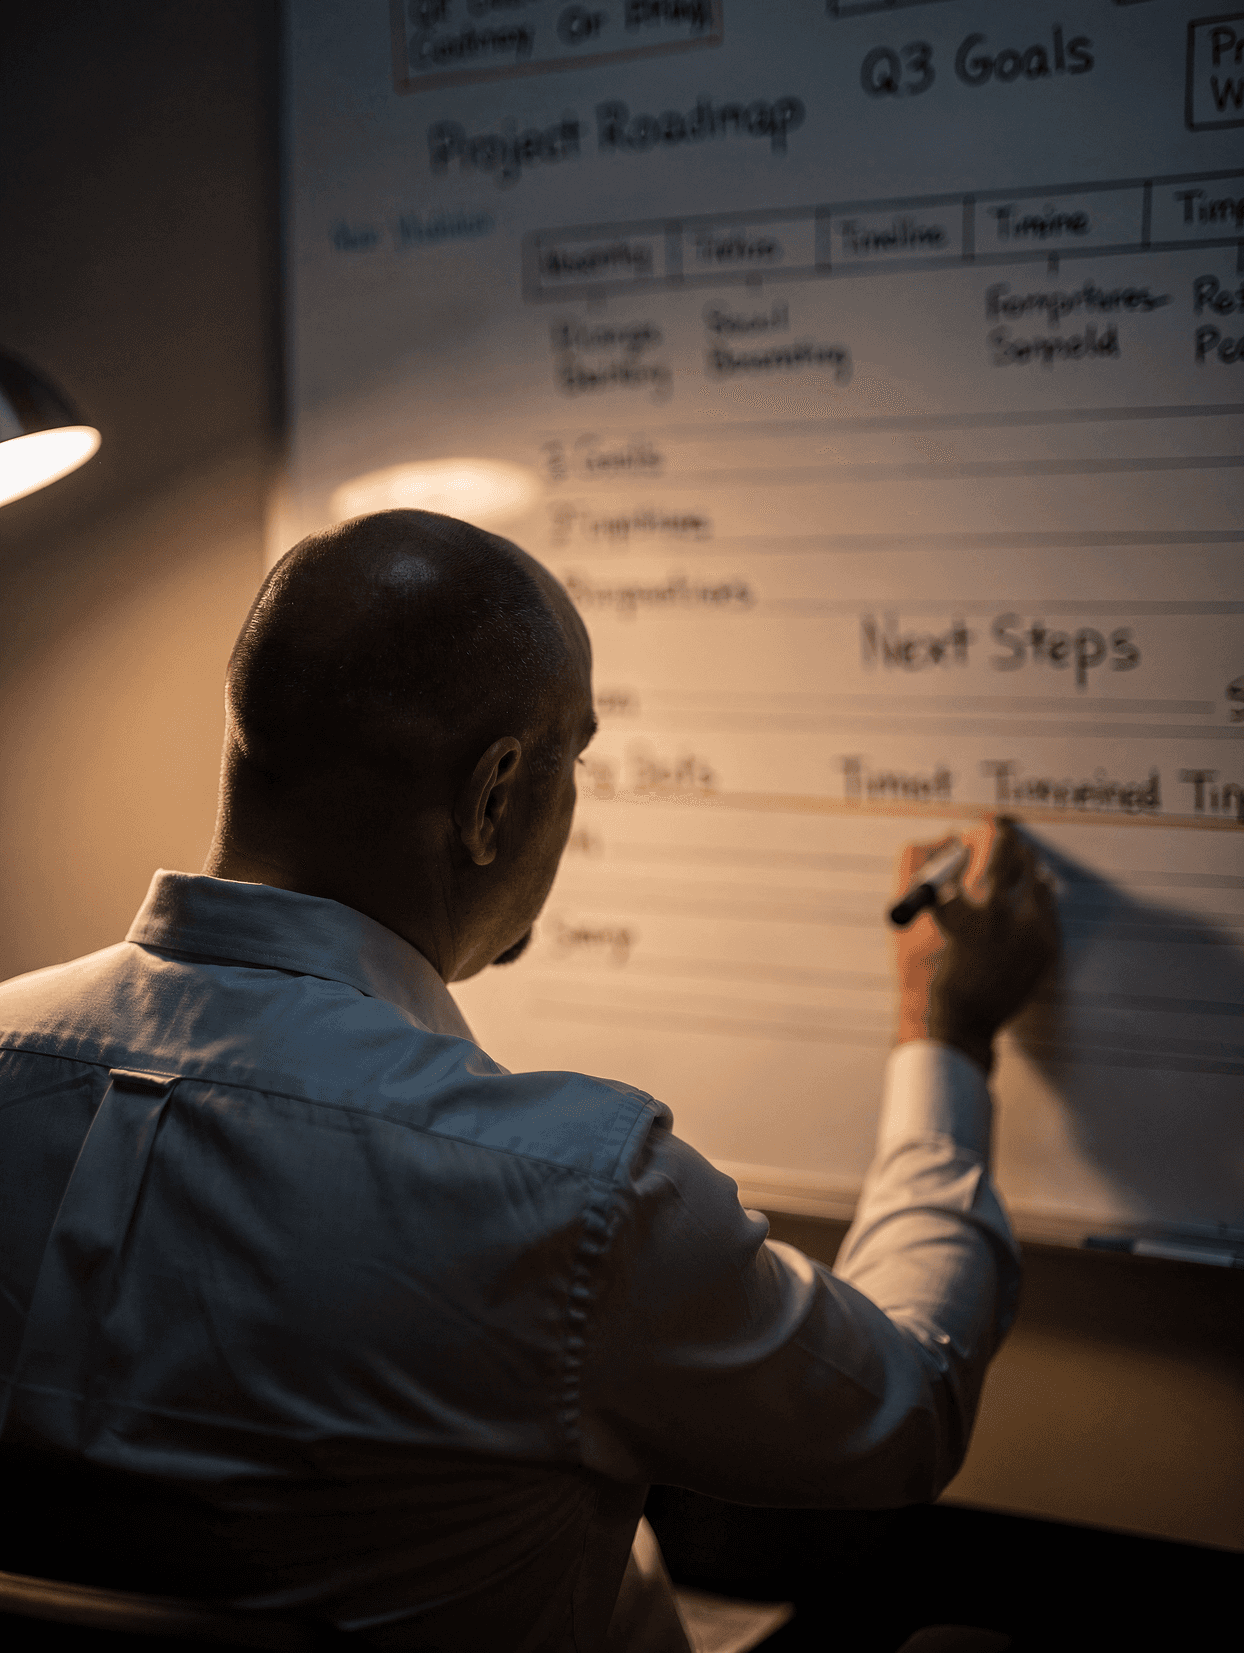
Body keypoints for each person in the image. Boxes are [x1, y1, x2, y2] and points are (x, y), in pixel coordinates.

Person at [0, 510, 1058, 1652]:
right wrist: (943, 1030)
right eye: (578, 757)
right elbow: (906, 1406)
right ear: (494, 794)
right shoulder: (575, 1194)